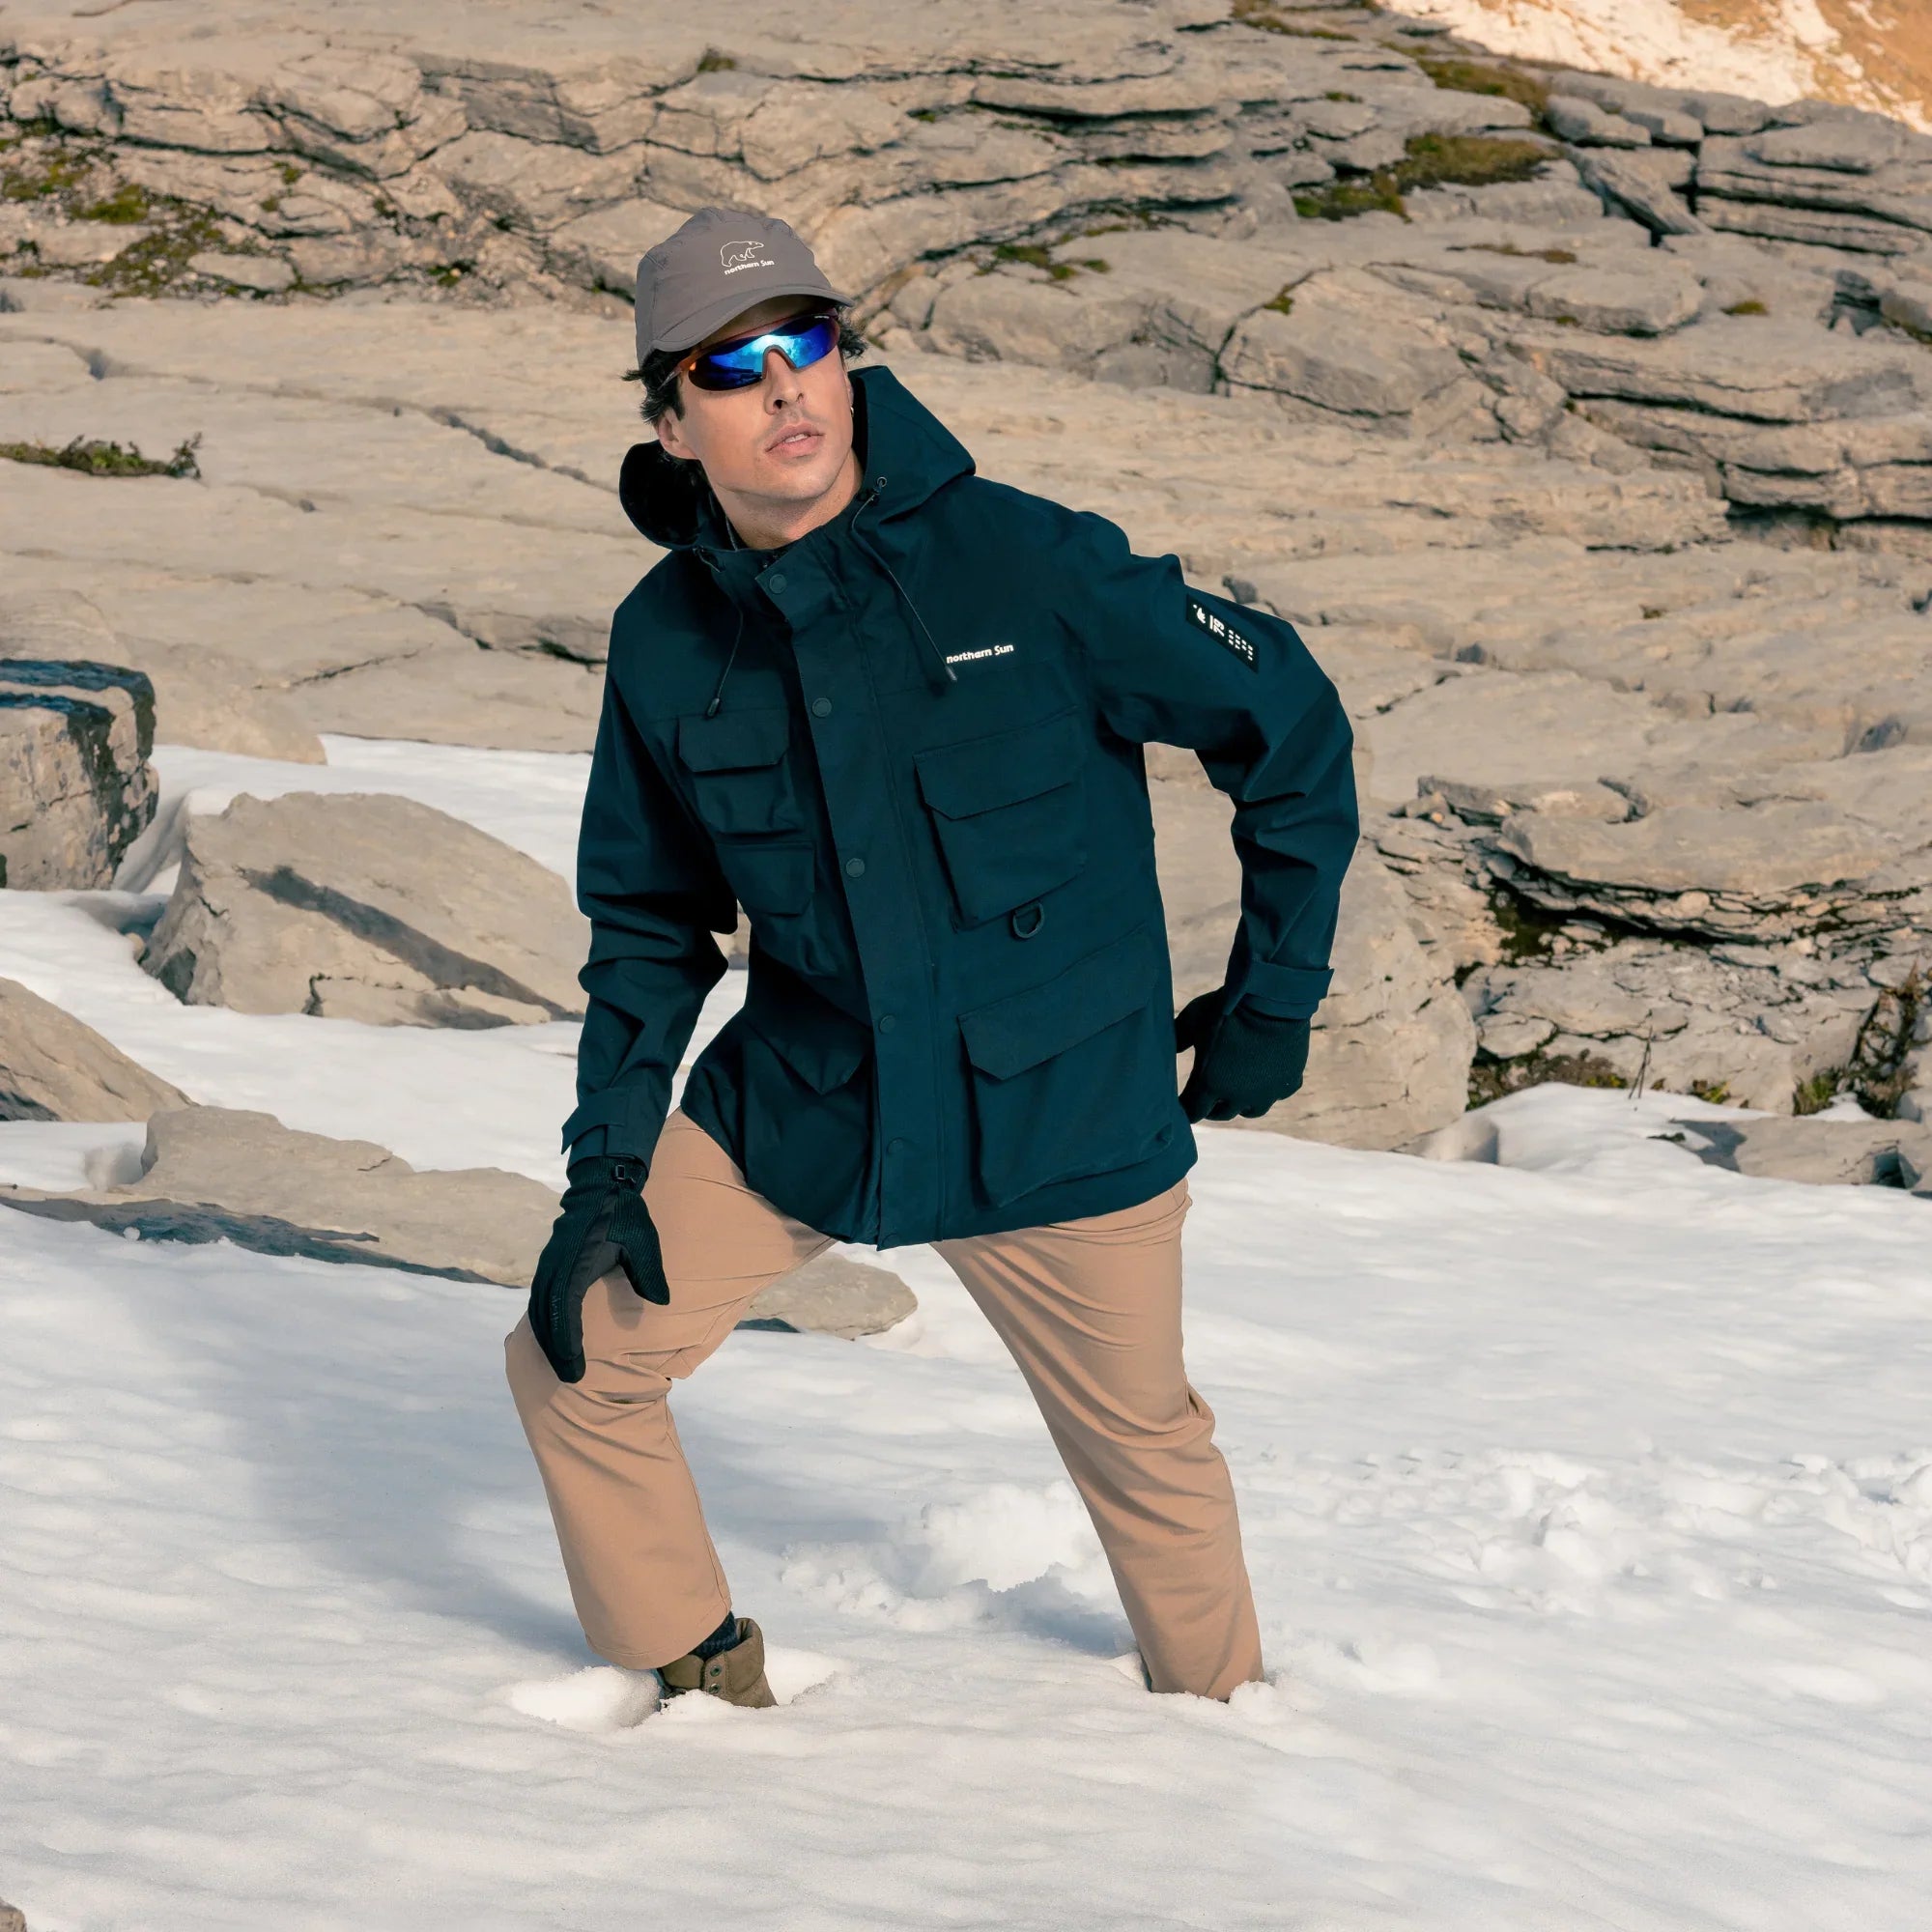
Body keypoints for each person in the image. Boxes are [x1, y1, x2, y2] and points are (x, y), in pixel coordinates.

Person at [504, 208, 1358, 1711]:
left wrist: (1274, 999)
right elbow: (648, 925)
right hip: (818, 1096)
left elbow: (1286, 723)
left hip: (1062, 1116)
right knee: (574, 1356)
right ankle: (690, 1679)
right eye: (732, 366)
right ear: (672, 418)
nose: (786, 389)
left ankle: (1224, 1749)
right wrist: (606, 1169)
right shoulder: (665, 642)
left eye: (809, 342)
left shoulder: (1026, 563)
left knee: (1151, 1462)